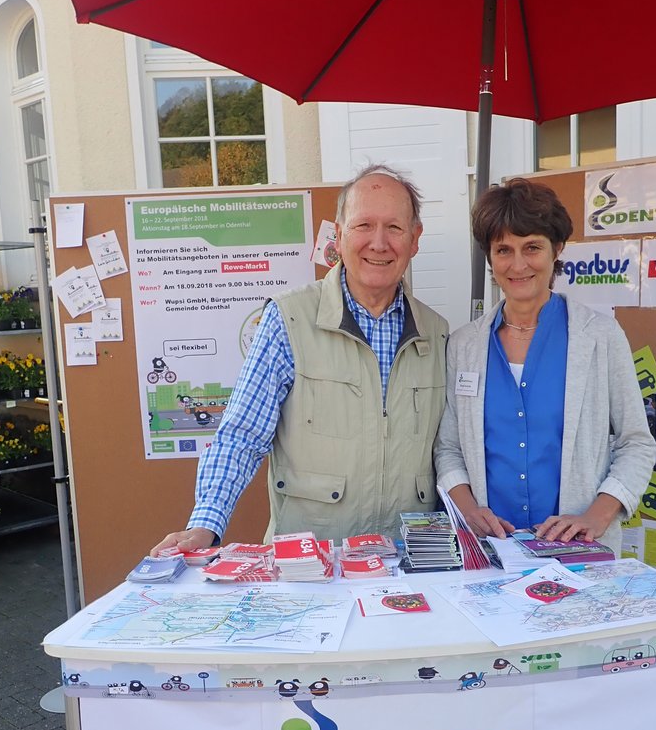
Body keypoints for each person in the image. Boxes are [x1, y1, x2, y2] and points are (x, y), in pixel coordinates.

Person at [152, 165, 448, 554]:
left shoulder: (436, 332)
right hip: (311, 565)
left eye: (394, 227)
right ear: (339, 235)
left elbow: (448, 449)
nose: (379, 243)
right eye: (363, 225)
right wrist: (206, 523)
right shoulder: (288, 320)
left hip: (407, 560)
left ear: (415, 239)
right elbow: (243, 433)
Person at [434, 179, 655, 556]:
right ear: (490, 257)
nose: (518, 264)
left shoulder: (599, 336)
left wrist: (596, 517)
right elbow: (449, 447)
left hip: (578, 552)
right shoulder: (464, 345)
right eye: (503, 250)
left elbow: (636, 442)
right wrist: (468, 511)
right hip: (490, 551)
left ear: (557, 248)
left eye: (532, 247)